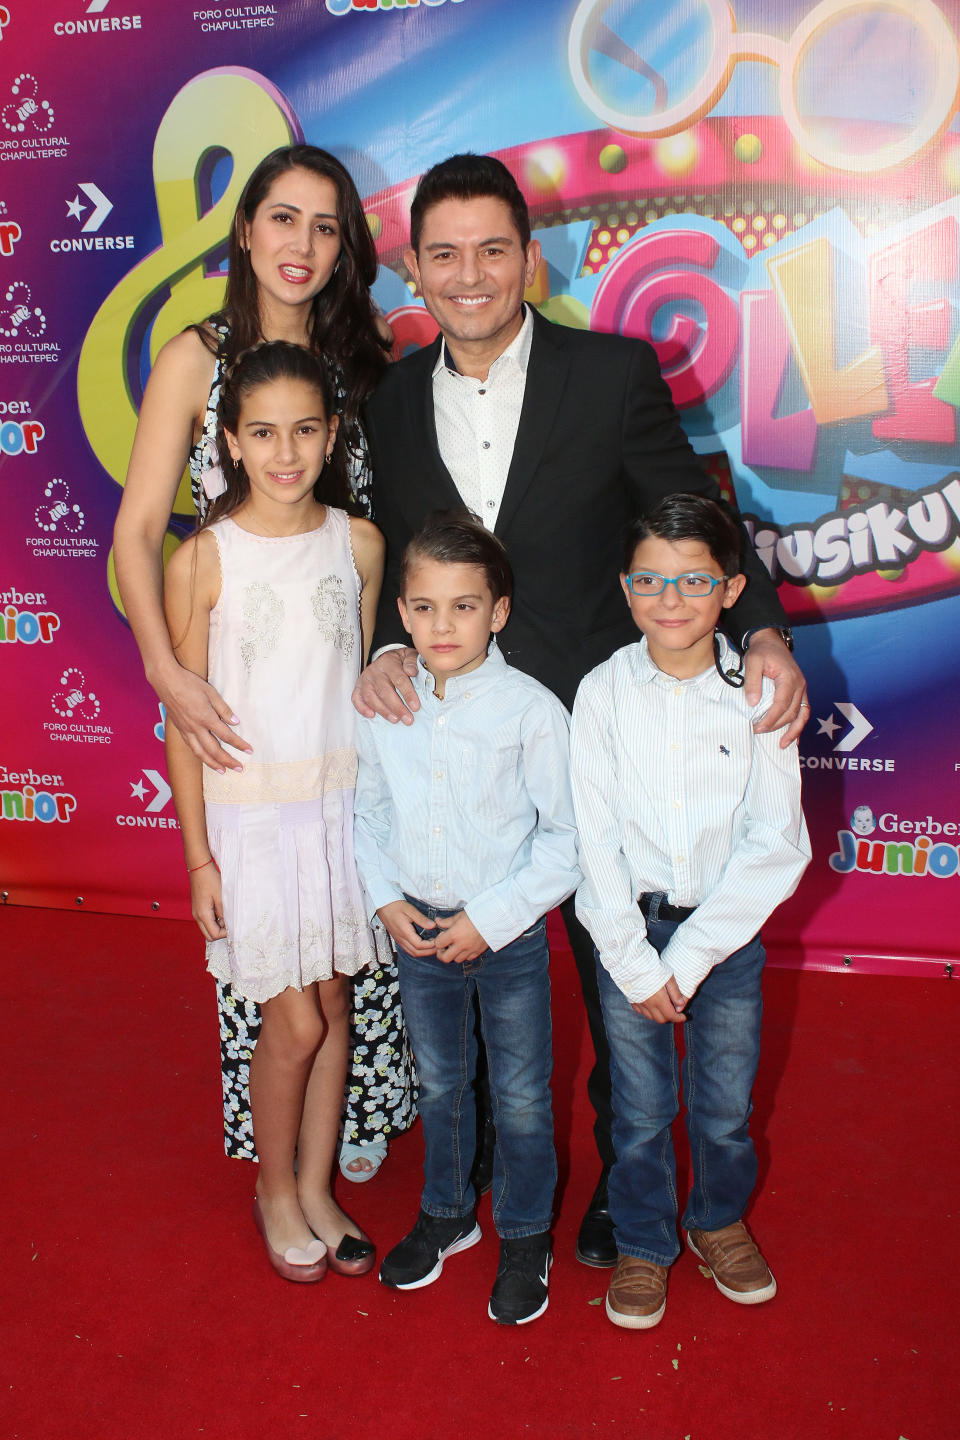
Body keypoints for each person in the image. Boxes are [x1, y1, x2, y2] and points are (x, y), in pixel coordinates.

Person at [354, 152, 810, 1265]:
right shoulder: (390, 401)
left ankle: (621, 1187)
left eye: (493, 251)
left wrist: (761, 631)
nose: (470, 276)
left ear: (531, 259)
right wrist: (381, 649)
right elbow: (397, 564)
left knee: (618, 978)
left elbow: (691, 511)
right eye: (445, 254)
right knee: (479, 987)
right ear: (415, 267)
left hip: (598, 727)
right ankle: (466, 1188)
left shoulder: (610, 373)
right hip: (468, 736)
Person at [114, 144, 415, 1175]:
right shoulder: (196, 357)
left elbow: (380, 532)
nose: (303, 244)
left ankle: (349, 1133)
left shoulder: (364, 365)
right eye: (283, 219)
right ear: (245, 230)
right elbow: (136, 531)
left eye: (326, 226)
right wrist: (167, 670)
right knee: (272, 953)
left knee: (350, 939)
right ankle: (279, 1162)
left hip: (341, 690)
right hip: (237, 680)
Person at [163, 340, 384, 1282]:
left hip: (341, 813)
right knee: (291, 1024)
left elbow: (365, 684)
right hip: (254, 824)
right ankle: (273, 1189)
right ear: (230, 442)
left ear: (332, 436)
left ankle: (319, 1184)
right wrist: (200, 860)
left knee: (333, 1005)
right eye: (263, 433)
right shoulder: (204, 558)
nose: (286, 452)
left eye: (304, 430)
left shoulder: (360, 543)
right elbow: (185, 720)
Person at [570, 493, 811, 1329]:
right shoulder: (600, 694)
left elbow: (777, 843)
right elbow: (591, 842)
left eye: (694, 582)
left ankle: (717, 1220)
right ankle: (643, 1241)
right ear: (627, 590)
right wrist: (638, 964)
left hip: (725, 939)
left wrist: (693, 955)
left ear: (732, 591)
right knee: (637, 1110)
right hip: (626, 933)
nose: (670, 602)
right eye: (650, 581)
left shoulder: (759, 697)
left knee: (725, 1105)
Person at [353, 513, 580, 1325]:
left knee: (520, 1094)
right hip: (415, 931)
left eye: (463, 606)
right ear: (403, 612)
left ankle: (524, 1233)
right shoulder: (385, 705)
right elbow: (366, 812)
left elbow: (568, 838)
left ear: (500, 611)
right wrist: (385, 898)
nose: (441, 626)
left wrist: (491, 918)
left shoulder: (531, 711)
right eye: (423, 607)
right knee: (442, 1083)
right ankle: (448, 1213)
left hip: (507, 938)